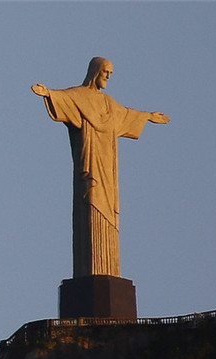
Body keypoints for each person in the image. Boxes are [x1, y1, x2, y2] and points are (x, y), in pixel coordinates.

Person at [32, 57, 169, 277]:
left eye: (110, 74)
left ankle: (109, 268)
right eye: (105, 72)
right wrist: (48, 93)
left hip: (108, 172)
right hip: (90, 167)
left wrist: (149, 116)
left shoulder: (109, 104)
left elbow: (126, 114)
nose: (107, 77)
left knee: (108, 212)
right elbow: (64, 98)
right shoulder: (79, 96)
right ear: (95, 72)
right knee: (90, 207)